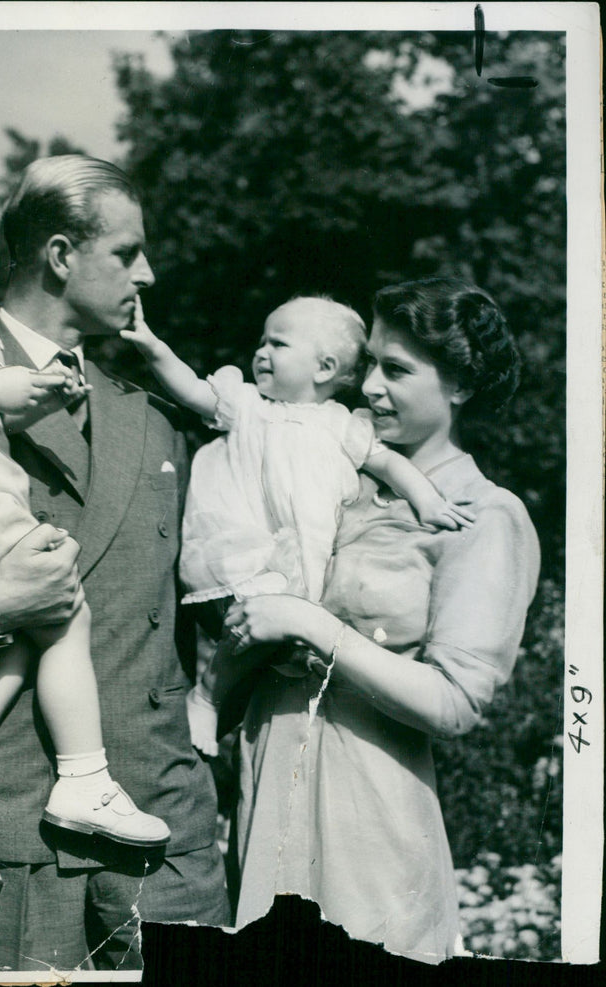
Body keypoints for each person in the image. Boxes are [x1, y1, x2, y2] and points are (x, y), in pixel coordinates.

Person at [0, 152, 230, 972]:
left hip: (161, 821)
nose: (150, 274)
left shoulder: (153, 416)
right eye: (128, 253)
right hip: (4, 819)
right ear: (61, 255)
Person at [221, 278, 541, 963]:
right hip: (269, 777)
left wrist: (311, 624)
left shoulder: (483, 513)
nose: (368, 386)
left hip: (370, 814)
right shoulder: (333, 477)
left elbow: (455, 702)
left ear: (459, 385)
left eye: (396, 369)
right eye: (368, 364)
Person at [122, 294, 474, 756]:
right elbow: (190, 389)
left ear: (324, 367)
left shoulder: (344, 426)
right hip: (241, 551)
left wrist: (427, 500)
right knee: (260, 612)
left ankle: (221, 712)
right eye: (262, 342)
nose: (261, 352)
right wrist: (152, 348)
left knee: (277, 635)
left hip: (300, 562)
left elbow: (390, 466)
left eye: (279, 344)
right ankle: (206, 696)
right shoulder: (246, 404)